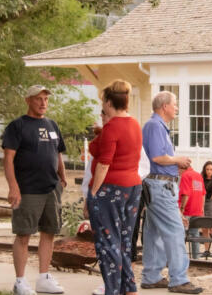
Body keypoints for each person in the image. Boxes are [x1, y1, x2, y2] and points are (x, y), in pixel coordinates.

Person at [2, 85, 67, 295]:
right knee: (23, 235)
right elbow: (8, 158)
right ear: (28, 100)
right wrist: (13, 187)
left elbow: (58, 154)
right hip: (28, 189)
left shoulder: (52, 125)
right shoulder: (17, 126)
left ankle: (43, 278)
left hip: (51, 188)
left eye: (46, 99)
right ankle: (20, 282)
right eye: (38, 99)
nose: (43, 103)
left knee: (49, 232)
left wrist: (62, 178)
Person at [82, 109, 149, 295]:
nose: (101, 115)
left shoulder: (114, 131)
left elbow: (102, 163)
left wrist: (93, 193)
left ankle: (113, 289)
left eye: (104, 111)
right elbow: (92, 167)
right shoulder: (130, 127)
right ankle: (128, 288)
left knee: (109, 244)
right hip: (130, 188)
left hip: (110, 190)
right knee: (122, 244)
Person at [141, 91, 203, 294]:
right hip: (160, 186)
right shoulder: (154, 126)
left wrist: (175, 166)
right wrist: (178, 160)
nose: (176, 108)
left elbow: (158, 158)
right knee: (175, 231)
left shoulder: (157, 126)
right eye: (174, 104)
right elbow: (158, 157)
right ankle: (178, 279)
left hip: (159, 184)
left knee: (154, 232)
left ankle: (152, 275)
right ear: (164, 106)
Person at [178, 165, 206, 259]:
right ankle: (196, 258)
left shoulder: (185, 175)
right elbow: (203, 194)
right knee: (195, 234)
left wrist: (182, 208)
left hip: (187, 210)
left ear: (182, 168)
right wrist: (202, 208)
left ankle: (180, 258)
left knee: (180, 234)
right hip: (197, 210)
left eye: (178, 169)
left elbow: (185, 193)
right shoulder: (198, 175)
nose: (177, 172)